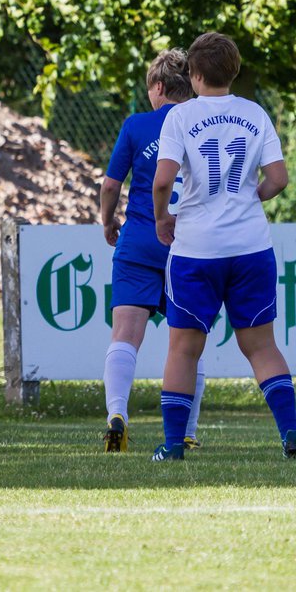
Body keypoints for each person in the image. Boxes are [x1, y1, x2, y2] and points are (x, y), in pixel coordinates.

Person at [150, 32, 293, 461]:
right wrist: (253, 199)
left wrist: (162, 218)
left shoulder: (180, 117)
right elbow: (279, 178)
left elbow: (162, 180)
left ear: (193, 74)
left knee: (184, 347)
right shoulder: (255, 113)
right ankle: (291, 433)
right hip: (251, 246)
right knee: (262, 346)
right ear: (233, 71)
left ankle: (173, 446)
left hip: (197, 248)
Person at [98, 50, 203, 452]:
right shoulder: (203, 123)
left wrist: (108, 222)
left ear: (158, 87)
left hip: (140, 239)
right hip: (189, 244)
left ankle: (117, 413)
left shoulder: (138, 125)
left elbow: (110, 185)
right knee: (190, 341)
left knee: (125, 332)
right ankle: (188, 431)